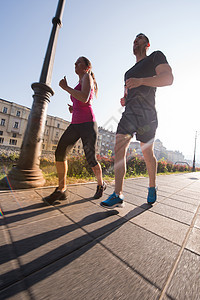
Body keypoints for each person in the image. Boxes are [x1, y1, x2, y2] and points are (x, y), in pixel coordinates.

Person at [100, 33, 173, 209]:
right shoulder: (128, 73)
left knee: (147, 152)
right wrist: (124, 99)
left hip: (147, 113)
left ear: (147, 44)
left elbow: (168, 79)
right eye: (134, 39)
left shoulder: (156, 56)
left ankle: (152, 185)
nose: (135, 41)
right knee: (119, 146)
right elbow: (127, 92)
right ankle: (118, 194)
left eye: (139, 39)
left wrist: (141, 81)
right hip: (130, 113)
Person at [43, 56, 106, 205]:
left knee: (91, 159)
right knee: (60, 152)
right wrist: (73, 108)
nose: (75, 64)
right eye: (75, 63)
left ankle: (100, 184)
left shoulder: (87, 77)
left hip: (88, 124)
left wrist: (66, 88)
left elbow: (85, 98)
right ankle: (61, 189)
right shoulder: (80, 81)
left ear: (87, 67)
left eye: (78, 62)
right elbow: (80, 101)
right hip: (76, 123)